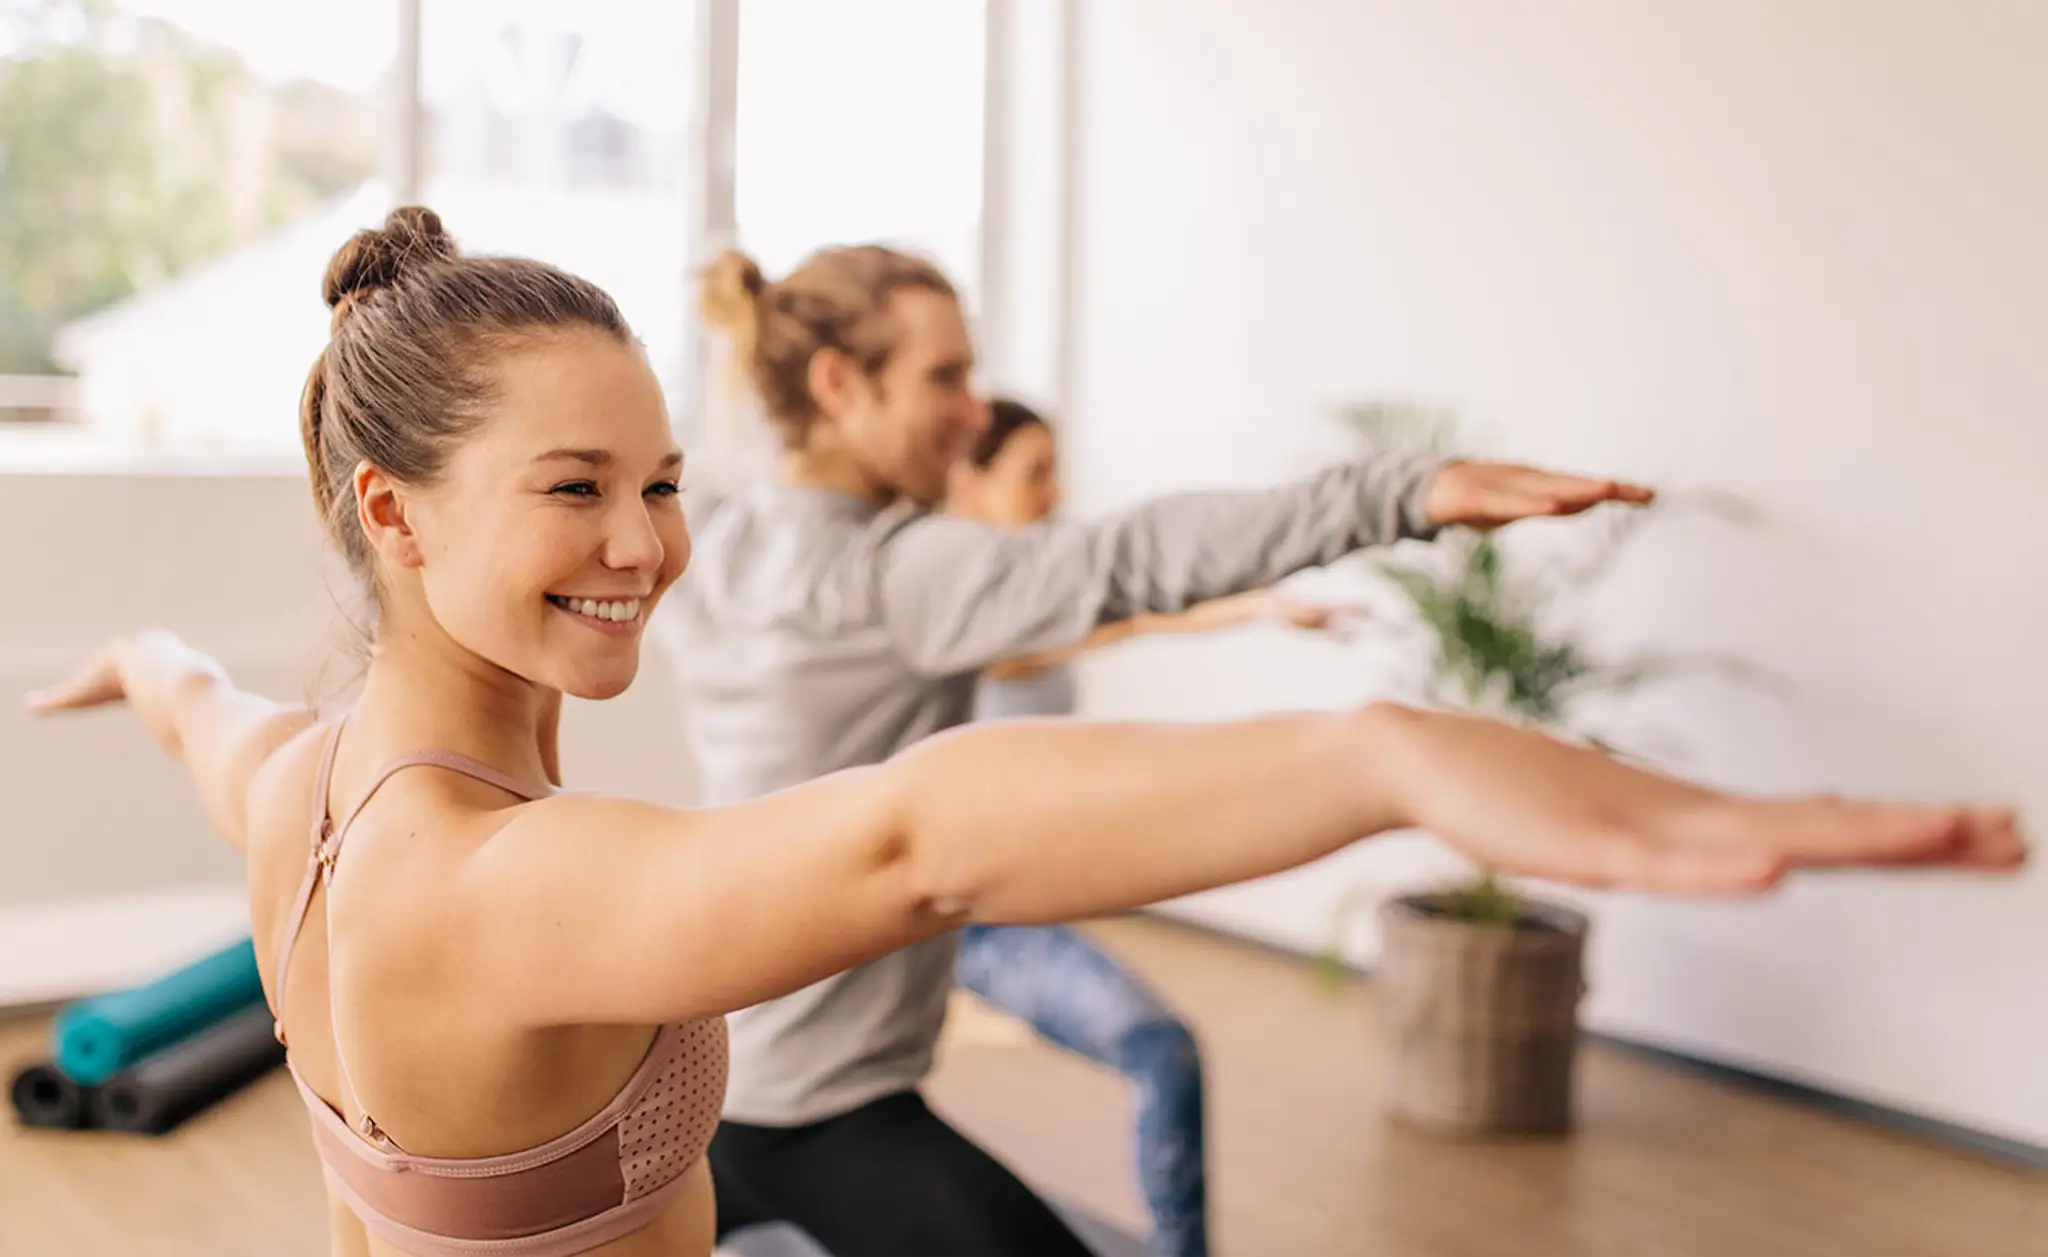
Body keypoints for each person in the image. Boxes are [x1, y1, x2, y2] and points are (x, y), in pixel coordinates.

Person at [24, 210, 2025, 1257]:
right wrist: (1381, 758)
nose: (648, 542)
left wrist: (134, 649)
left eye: (661, 480)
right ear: (395, 509)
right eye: (575, 489)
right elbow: (919, 834)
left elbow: (197, 694)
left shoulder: (297, 772)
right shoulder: (497, 880)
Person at [672, 242, 2026, 1257]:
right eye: (948, 377)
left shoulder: (718, 538)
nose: (978, 409)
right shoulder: (903, 574)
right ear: (840, 384)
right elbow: (1132, 555)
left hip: (709, 1075)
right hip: (821, 1108)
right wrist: (1397, 490)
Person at [946, 396, 1354, 1257]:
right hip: (940, 918)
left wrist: (1256, 606)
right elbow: (1111, 618)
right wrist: (1249, 606)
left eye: (1058, 469)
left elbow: (1116, 616)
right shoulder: (955, 604)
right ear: (968, 479)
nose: (1055, 492)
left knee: (1164, 1055)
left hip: (1005, 911)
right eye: (1034, 472)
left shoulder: (1028, 591)